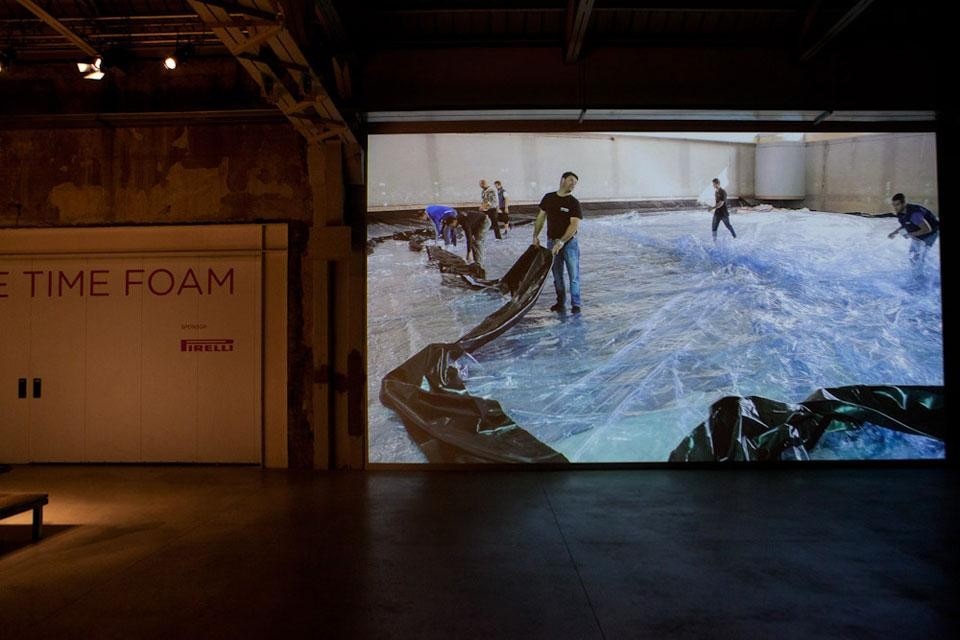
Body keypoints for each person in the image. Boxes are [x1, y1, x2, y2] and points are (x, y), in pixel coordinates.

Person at [533, 171, 583, 313]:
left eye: (575, 182)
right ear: (562, 180)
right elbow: (541, 217)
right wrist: (535, 236)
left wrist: (561, 242)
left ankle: (576, 305)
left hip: (569, 244)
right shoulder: (549, 198)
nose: (573, 184)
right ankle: (560, 303)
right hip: (551, 242)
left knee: (573, 275)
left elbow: (574, 225)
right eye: (571, 180)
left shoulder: (573, 202)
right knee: (557, 274)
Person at [887, 193, 939, 265]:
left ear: (904, 203)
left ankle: (922, 274)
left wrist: (910, 234)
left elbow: (927, 229)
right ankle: (917, 272)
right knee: (913, 257)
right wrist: (894, 232)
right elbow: (905, 224)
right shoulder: (901, 212)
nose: (895, 207)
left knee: (921, 257)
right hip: (919, 231)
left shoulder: (914, 214)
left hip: (931, 233)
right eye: (893, 205)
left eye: (897, 204)